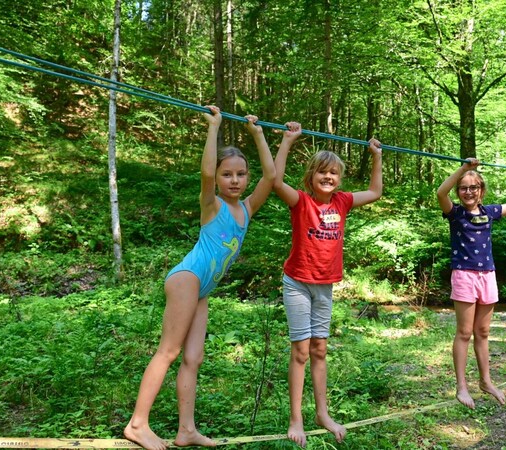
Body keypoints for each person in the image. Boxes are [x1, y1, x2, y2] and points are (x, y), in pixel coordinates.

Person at [124, 106, 276, 450]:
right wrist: (214, 128)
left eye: (240, 174)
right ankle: (137, 424)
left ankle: (186, 430)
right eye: (227, 175)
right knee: (169, 351)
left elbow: (271, 176)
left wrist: (258, 134)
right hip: (187, 279)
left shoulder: (247, 209)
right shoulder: (213, 205)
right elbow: (206, 174)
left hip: (203, 289)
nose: (233, 180)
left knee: (194, 358)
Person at [273, 123, 383, 448]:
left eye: (334, 173)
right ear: (312, 176)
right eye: (323, 172)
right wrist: (287, 141)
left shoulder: (343, 202)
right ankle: (296, 419)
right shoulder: (301, 202)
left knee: (320, 349)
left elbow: (375, 192)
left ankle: (322, 413)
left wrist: (376, 156)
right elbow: (275, 180)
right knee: (301, 351)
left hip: (324, 287)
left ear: (340, 179)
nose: (328, 177)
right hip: (297, 284)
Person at [436, 158, 506, 410]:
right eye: (464, 188)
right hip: (464, 274)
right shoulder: (455, 213)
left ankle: (486, 381)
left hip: (487, 275)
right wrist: (463, 169)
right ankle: (461, 386)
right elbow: (441, 192)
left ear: (481, 191)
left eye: (474, 187)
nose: (468, 191)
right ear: (459, 192)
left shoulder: (489, 212)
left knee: (483, 332)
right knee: (464, 332)